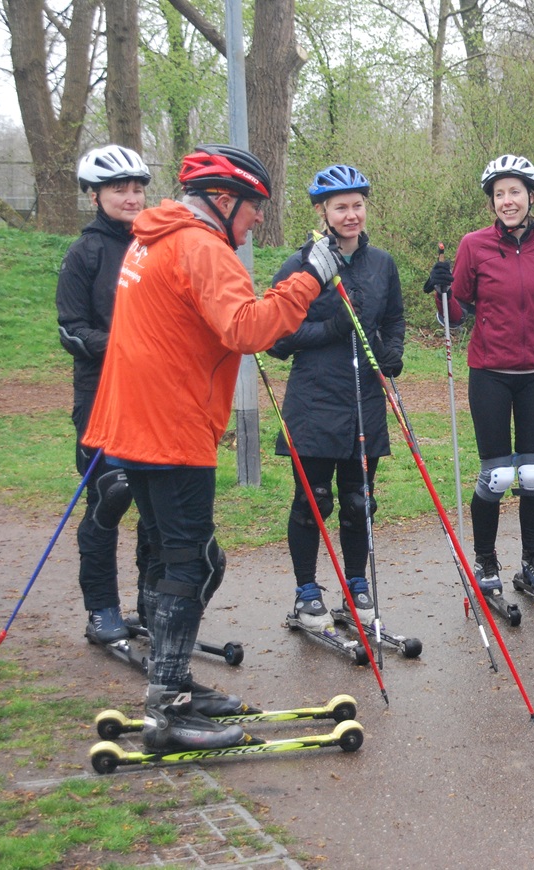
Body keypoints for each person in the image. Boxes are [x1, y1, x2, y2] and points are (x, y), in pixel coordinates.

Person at [83, 145, 342, 751]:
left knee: (171, 556)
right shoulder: (199, 245)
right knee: (195, 563)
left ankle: (171, 686)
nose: (257, 220)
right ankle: (167, 709)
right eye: (253, 207)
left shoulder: (155, 238)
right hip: (168, 428)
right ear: (223, 201)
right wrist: (310, 276)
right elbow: (248, 328)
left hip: (138, 423)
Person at [426, 154, 534, 596]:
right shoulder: (474, 245)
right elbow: (455, 314)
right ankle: (485, 562)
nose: (507, 200)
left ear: (531, 197)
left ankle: (532, 562)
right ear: (492, 203)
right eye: (499, 194)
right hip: (490, 373)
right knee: (497, 476)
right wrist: (441, 290)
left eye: (515, 191)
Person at [268, 165, 405, 631]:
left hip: (364, 401)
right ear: (322, 212)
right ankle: (307, 592)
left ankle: (355, 585)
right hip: (314, 402)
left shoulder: (381, 264)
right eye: (341, 207)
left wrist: (392, 353)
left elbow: (394, 318)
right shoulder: (300, 265)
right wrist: (331, 328)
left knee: (359, 501)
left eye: (357, 205)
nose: (351, 215)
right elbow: (276, 337)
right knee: (314, 501)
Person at [55, 145, 153, 644]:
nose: (131, 197)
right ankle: (102, 609)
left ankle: (153, 604)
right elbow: (70, 330)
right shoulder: (85, 252)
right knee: (109, 497)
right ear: (94, 195)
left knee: (155, 504)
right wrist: (123, 345)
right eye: (119, 189)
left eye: (137, 188)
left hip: (152, 395)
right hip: (101, 396)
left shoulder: (154, 245)